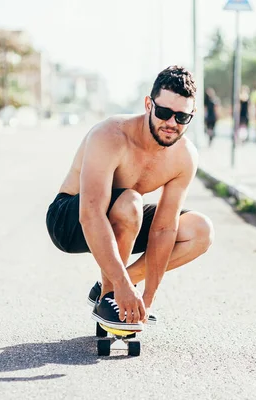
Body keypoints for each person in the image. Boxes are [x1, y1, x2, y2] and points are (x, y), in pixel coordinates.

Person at [46, 66, 214, 331]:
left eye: (182, 117)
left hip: (125, 217)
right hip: (70, 219)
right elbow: (90, 214)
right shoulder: (111, 135)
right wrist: (123, 287)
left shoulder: (185, 156)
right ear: (149, 104)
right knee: (130, 203)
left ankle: (108, 289)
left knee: (199, 230)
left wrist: (146, 298)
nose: (172, 123)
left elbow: (164, 228)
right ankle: (112, 295)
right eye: (164, 113)